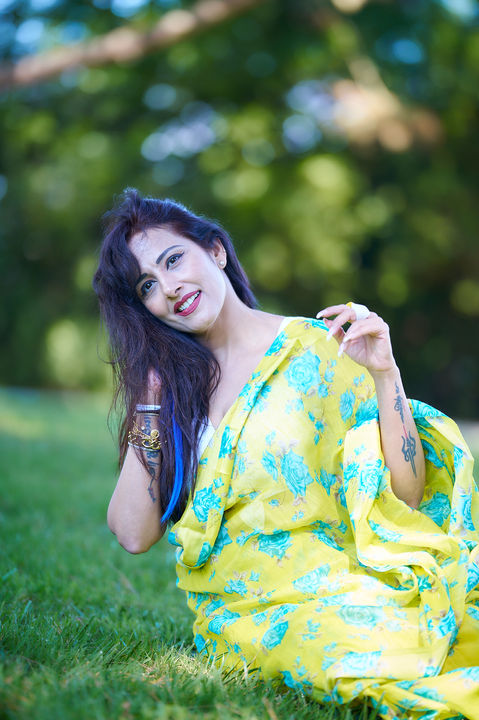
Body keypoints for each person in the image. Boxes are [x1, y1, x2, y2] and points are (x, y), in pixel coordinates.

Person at [93, 188, 479, 720]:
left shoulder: (320, 348)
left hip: (348, 576)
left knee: (438, 631)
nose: (169, 288)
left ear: (216, 251)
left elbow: (407, 494)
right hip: (253, 609)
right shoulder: (174, 391)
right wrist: (150, 406)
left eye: (173, 260)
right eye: (148, 286)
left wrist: (385, 373)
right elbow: (133, 533)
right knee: (375, 654)